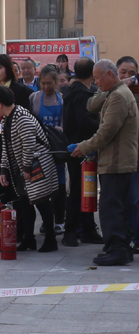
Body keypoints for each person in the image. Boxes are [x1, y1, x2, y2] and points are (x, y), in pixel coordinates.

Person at [73, 59, 138, 265]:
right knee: (114, 206)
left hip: (117, 162)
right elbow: (91, 106)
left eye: (99, 79)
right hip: (113, 161)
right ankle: (117, 247)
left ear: (111, 75)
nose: (96, 83)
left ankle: (117, 249)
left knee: (111, 207)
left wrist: (83, 147)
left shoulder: (119, 96)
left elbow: (105, 133)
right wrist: (104, 88)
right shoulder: (114, 92)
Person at [0, 85, 59, 253]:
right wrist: (4, 169)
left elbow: (29, 145)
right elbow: (7, 147)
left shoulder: (21, 117)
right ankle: (29, 239)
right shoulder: (7, 118)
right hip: (24, 167)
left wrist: (27, 168)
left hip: (37, 165)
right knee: (25, 203)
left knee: (42, 202)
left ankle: (51, 240)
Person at [60, 57, 104, 247]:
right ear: (92, 74)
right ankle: (71, 231)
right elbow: (84, 122)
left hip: (77, 147)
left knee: (87, 190)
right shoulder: (82, 95)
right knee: (79, 191)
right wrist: (102, 127)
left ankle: (87, 229)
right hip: (80, 150)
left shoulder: (72, 91)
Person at [0, 54, 33, 197]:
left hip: (17, 141)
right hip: (0, 141)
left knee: (16, 180)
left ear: (8, 69)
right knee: (1, 175)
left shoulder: (21, 90)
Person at [30, 66, 66, 234]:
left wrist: (60, 130)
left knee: (59, 186)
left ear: (56, 82)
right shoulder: (34, 98)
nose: (46, 87)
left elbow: (66, 122)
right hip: (41, 148)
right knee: (42, 185)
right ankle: (46, 222)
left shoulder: (63, 99)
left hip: (57, 148)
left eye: (49, 83)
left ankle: (59, 221)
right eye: (43, 83)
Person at [114, 56, 139, 254]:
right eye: (123, 72)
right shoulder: (113, 94)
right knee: (124, 198)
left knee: (135, 198)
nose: (127, 77)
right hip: (119, 156)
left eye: (132, 73)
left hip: (135, 153)